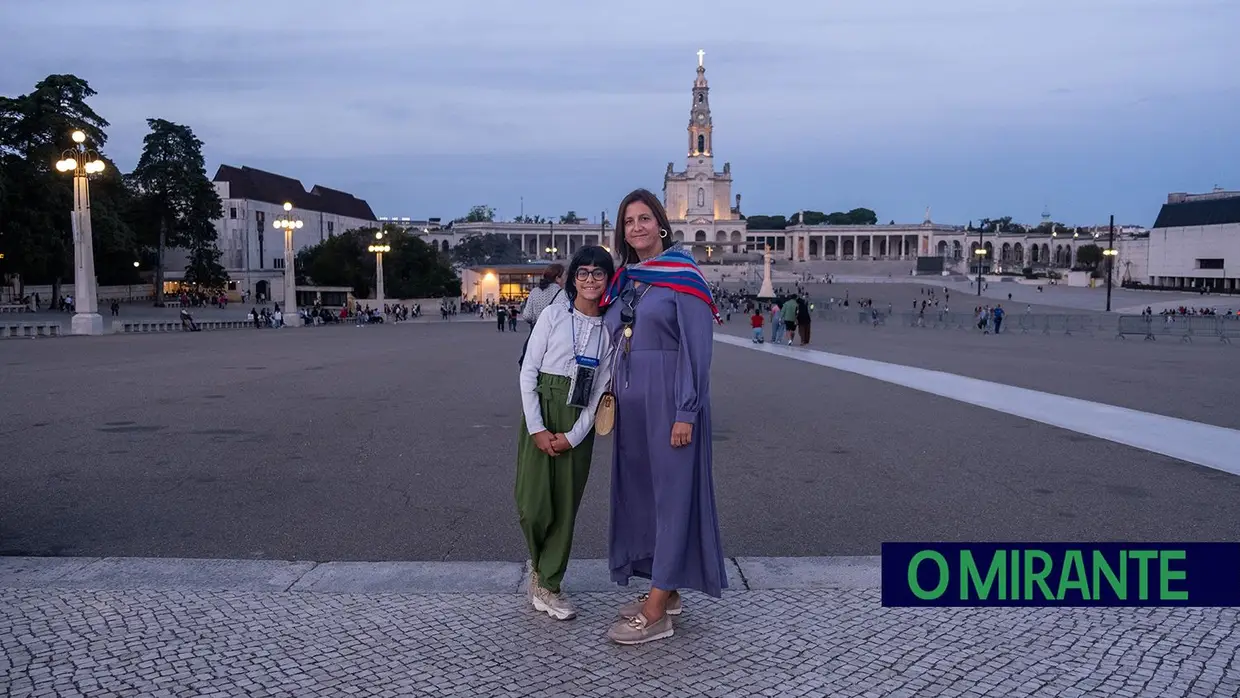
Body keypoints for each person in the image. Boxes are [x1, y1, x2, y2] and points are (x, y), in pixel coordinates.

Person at [599, 188, 727, 645]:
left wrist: (686, 411)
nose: (637, 227)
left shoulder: (683, 275)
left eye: (644, 218)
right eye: (629, 221)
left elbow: (698, 348)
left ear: (661, 222)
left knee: (672, 498)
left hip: (672, 401)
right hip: (632, 406)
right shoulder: (627, 280)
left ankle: (657, 611)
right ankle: (664, 587)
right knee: (643, 496)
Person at [515, 246, 616, 621]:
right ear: (573, 279)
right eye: (583, 272)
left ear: (607, 280)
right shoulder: (554, 315)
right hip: (542, 408)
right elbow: (528, 373)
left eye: (598, 273)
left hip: (578, 419)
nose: (590, 279)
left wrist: (574, 436)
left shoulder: (609, 328)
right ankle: (538, 563)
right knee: (532, 505)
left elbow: (603, 390)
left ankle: (549, 582)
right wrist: (537, 428)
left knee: (565, 507)